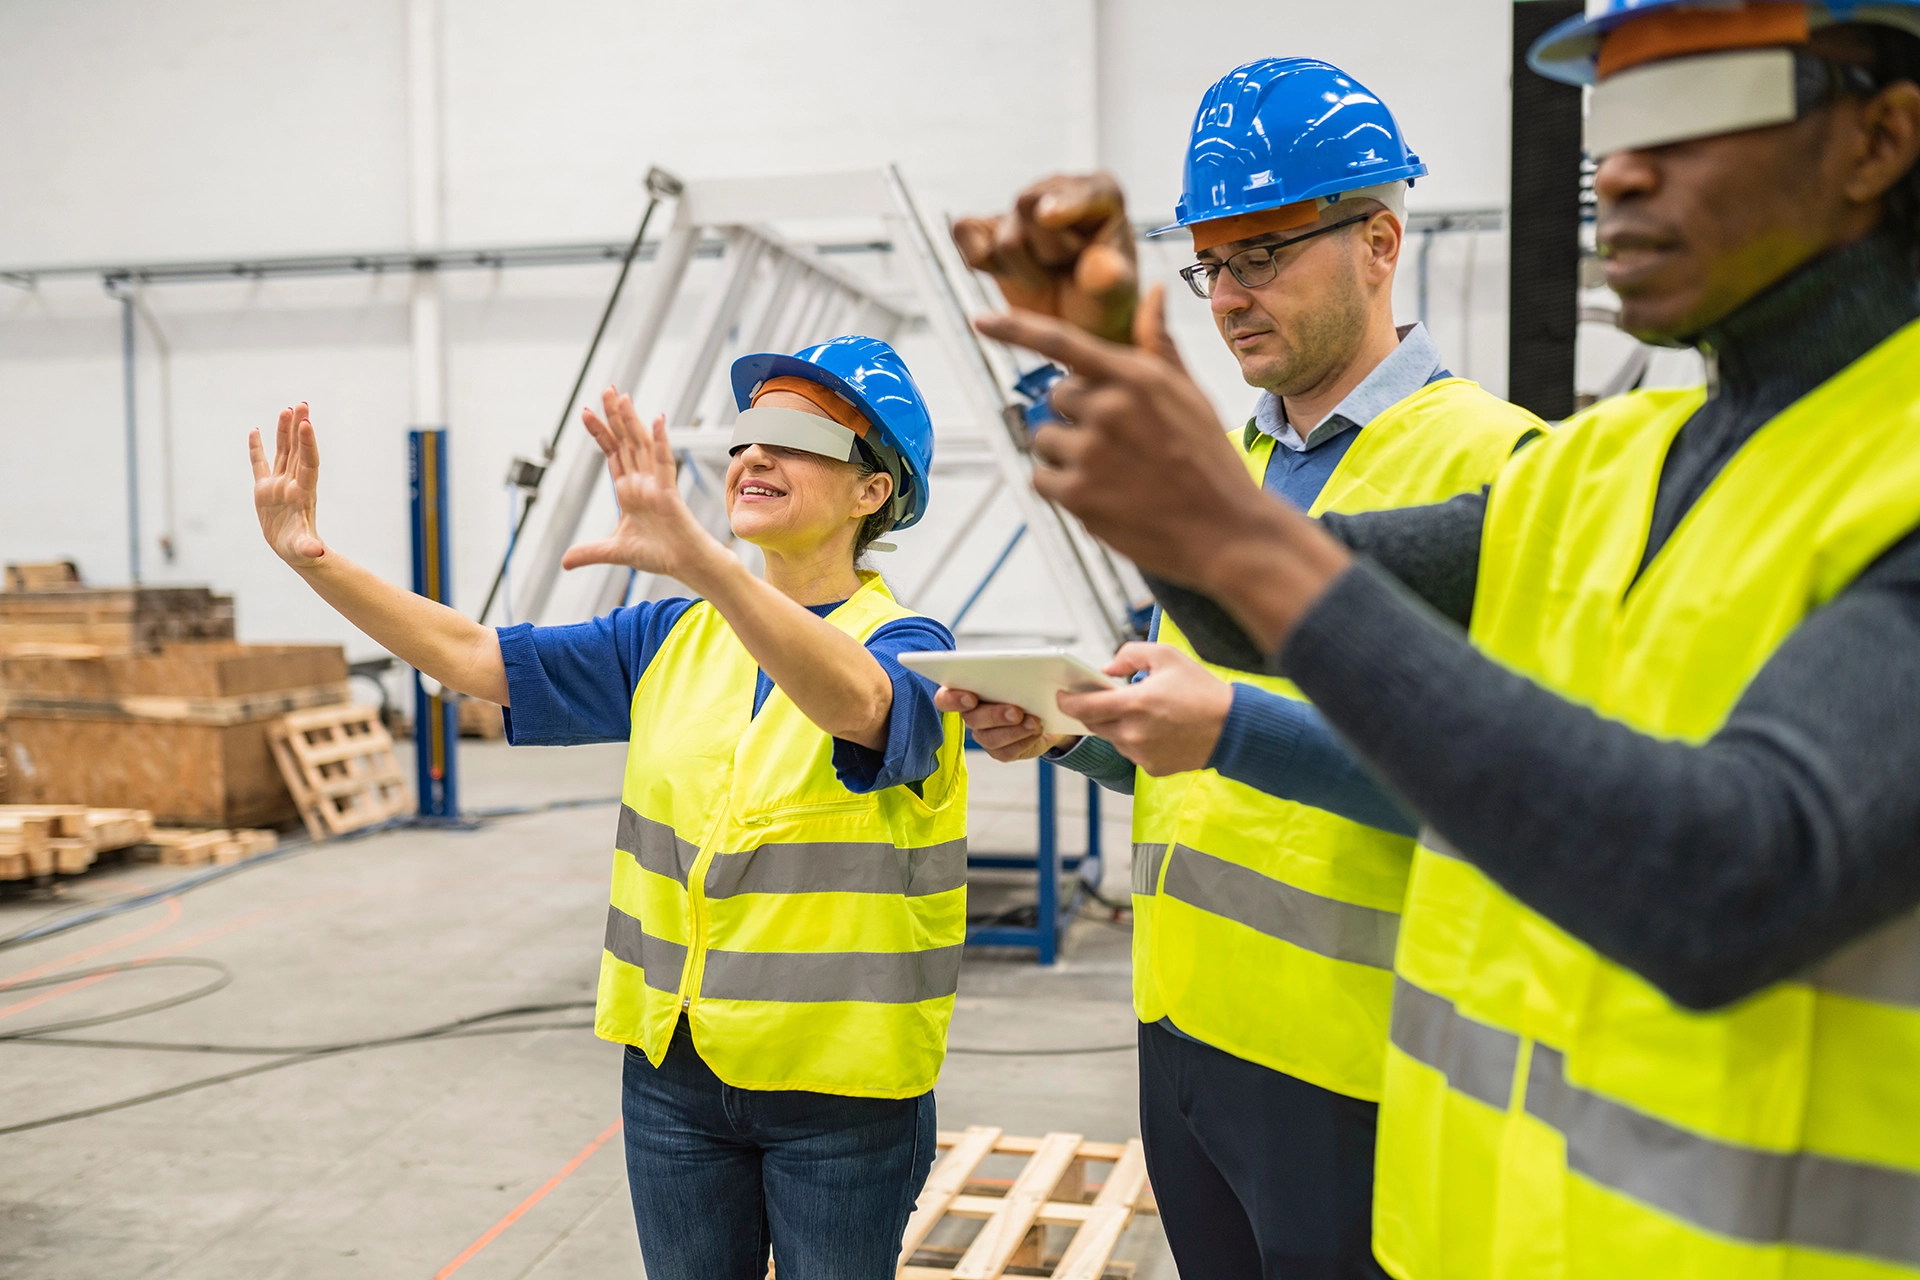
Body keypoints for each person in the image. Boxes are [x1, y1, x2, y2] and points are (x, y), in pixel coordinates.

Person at [966, 4, 1920, 1277]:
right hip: (1493, 1209)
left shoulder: (1887, 481)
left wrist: (1232, 580)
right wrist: (1118, 400)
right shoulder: (1605, 468)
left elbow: (1731, 878)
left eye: (1693, 108)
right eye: (1611, 120)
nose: (1620, 168)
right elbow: (1244, 609)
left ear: (1883, 135)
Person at [944, 59, 1543, 1280]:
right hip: (1183, 1043)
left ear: (1380, 242)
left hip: (1363, 1071)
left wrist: (1221, 727)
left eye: (1262, 255)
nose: (1228, 296)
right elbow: (1194, 760)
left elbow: (1500, 795)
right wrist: (1076, 730)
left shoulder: (1499, 468)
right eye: (1210, 265)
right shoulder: (1225, 463)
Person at [248, 335, 969, 1280]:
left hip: (839, 1089)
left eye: (795, 437)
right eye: (749, 435)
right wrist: (313, 559)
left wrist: (705, 561)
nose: (754, 454)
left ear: (873, 491)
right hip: (674, 1074)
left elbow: (860, 705)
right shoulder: (672, 636)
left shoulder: (913, 647)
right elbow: (474, 658)